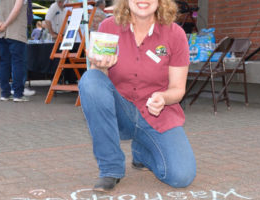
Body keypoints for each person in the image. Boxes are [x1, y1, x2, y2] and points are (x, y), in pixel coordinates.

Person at [78, 0, 196, 192]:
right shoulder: (108, 26)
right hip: (121, 111)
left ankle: (141, 152)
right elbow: (98, 86)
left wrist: (164, 98)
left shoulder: (175, 34)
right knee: (90, 79)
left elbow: (177, 89)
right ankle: (111, 168)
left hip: (157, 115)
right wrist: (101, 66)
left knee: (181, 176)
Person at [0, 0, 29, 102]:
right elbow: (16, 10)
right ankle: (17, 94)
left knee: (4, 62)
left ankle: (5, 93)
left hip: (2, 33)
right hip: (16, 32)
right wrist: (6, 24)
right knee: (17, 62)